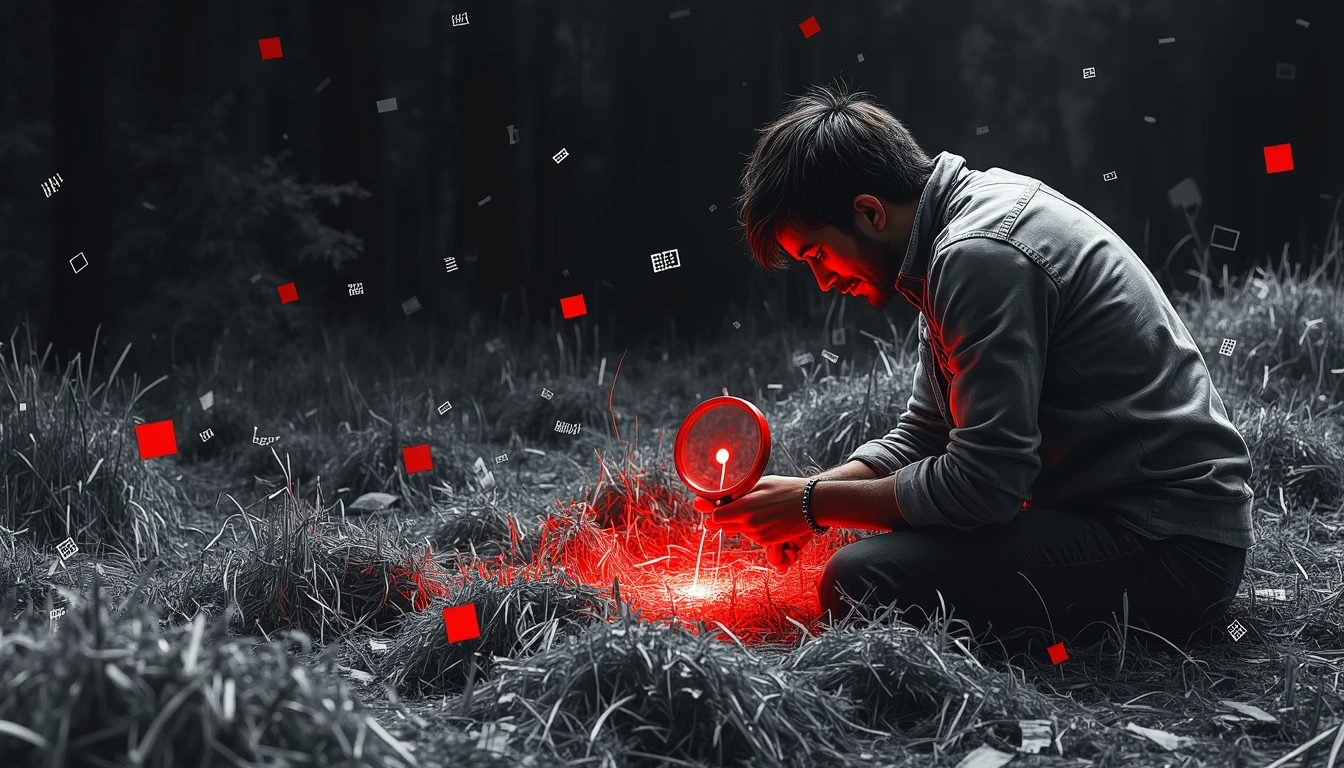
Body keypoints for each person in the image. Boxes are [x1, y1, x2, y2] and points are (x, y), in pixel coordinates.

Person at [695, 84, 1254, 650]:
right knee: (866, 568)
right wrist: (807, 496)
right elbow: (928, 431)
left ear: (868, 212)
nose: (823, 281)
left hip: (1170, 547)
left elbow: (985, 488)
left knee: (860, 579)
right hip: (1137, 522)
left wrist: (814, 505)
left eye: (816, 254)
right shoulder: (946, 240)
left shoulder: (978, 255)